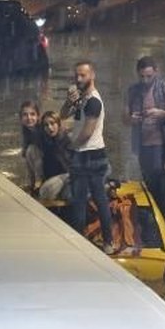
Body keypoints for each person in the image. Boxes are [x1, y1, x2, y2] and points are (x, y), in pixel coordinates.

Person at [60, 60, 114, 254]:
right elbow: (62, 115)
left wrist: (70, 148)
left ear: (92, 75)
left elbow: (87, 132)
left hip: (89, 156)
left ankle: (95, 243)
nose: (78, 79)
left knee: (85, 201)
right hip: (90, 155)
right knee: (91, 200)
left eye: (83, 75)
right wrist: (68, 101)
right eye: (76, 75)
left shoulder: (93, 101)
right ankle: (104, 242)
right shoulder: (81, 98)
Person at [123, 56, 165, 233]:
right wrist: (131, 119)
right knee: (150, 183)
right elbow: (124, 117)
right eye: (142, 76)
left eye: (149, 76)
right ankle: (156, 222)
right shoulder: (133, 91)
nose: (145, 80)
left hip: (162, 145)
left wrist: (160, 113)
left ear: (156, 72)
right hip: (143, 145)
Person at [37, 110, 71, 200]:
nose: (50, 127)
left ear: (58, 124)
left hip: (66, 178)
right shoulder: (44, 141)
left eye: (52, 123)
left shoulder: (66, 141)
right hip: (53, 181)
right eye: (46, 125)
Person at [18, 100, 43, 194]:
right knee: (27, 151)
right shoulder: (27, 132)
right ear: (21, 118)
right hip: (41, 169)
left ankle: (38, 182)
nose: (29, 118)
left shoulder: (43, 130)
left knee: (32, 150)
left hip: (53, 171)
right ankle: (32, 183)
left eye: (32, 114)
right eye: (25, 115)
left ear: (38, 116)